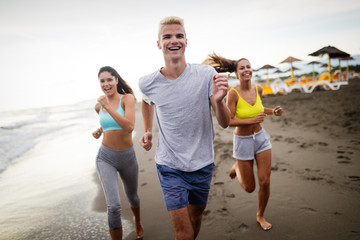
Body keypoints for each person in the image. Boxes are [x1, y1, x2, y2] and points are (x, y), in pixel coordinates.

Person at [138, 17, 230, 239]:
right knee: (184, 233)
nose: (173, 40)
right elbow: (146, 101)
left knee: (196, 219)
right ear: (159, 44)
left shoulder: (206, 75)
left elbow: (225, 122)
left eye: (178, 35)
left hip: (202, 164)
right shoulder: (147, 82)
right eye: (167, 36)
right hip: (170, 166)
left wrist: (218, 101)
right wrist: (148, 129)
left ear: (186, 41)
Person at [205, 53, 283, 231]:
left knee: (265, 182)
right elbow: (228, 121)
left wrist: (273, 112)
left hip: (261, 139)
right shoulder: (232, 94)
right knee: (249, 187)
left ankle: (260, 215)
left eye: (249, 66)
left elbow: (259, 109)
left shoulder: (258, 89)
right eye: (242, 68)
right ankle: (237, 167)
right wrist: (251, 121)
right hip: (243, 141)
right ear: (236, 73)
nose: (247, 70)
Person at [92, 66, 143, 240]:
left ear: (116, 80)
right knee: (113, 206)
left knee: (133, 198)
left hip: (127, 157)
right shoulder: (99, 106)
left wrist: (108, 106)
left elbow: (129, 126)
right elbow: (109, 123)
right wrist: (100, 130)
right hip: (105, 157)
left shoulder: (126, 99)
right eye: (102, 81)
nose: (106, 84)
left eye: (109, 80)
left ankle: (137, 220)